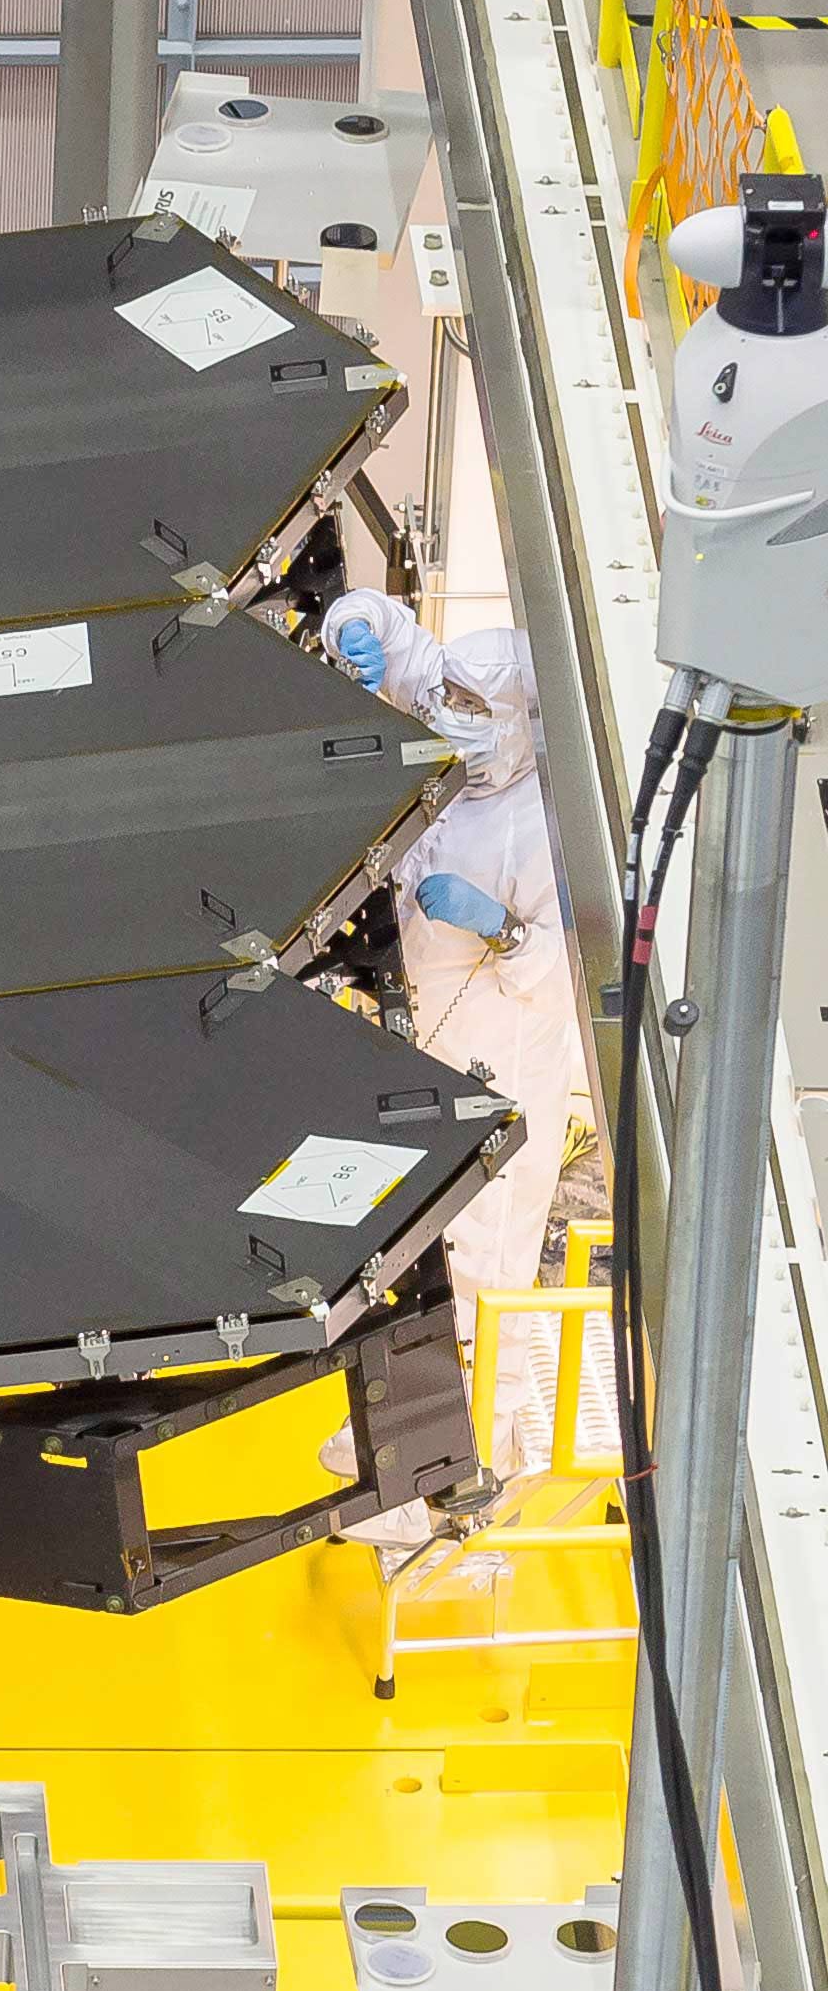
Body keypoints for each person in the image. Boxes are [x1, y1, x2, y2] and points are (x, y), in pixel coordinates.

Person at [319, 589, 593, 1479]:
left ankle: (478, 1460)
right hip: (427, 1049)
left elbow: (569, 975)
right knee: (408, 1257)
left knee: (483, 1277)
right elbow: (395, 641)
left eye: (475, 711)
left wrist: (502, 929)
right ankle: (400, 1437)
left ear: (522, 722)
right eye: (449, 702)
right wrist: (349, 628)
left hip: (501, 1076)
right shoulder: (450, 715)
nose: (451, 718)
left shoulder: (552, 827)